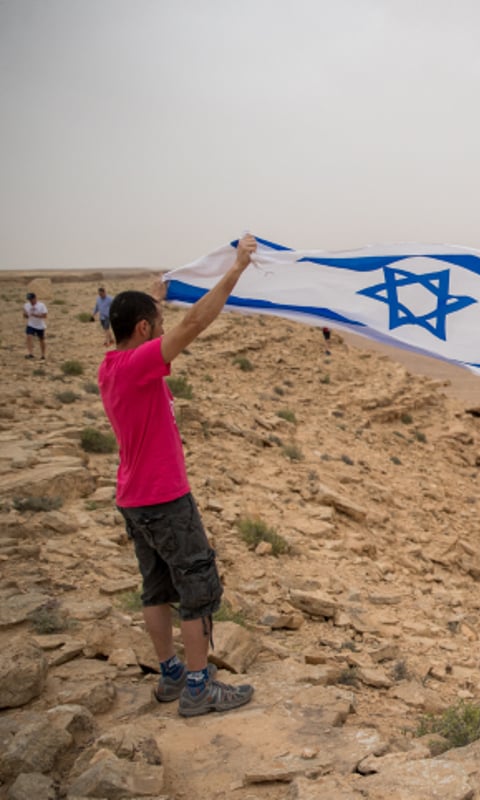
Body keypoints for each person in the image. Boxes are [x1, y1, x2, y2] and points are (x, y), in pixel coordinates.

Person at [98, 234, 258, 717]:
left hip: (135, 498)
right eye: (157, 325)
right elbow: (195, 323)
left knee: (157, 587)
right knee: (198, 588)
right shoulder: (140, 365)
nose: (165, 331)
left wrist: (157, 296)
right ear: (144, 329)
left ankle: (170, 675)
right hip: (164, 499)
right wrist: (236, 270)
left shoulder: (111, 365)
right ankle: (198, 687)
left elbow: (158, 322)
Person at [23, 292, 48, 360]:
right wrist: (26, 315)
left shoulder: (41, 305)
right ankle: (30, 353)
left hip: (40, 325)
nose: (30, 301)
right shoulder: (26, 305)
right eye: (29, 299)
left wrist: (34, 314)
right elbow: (25, 315)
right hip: (31, 324)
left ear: (35, 298)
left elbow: (45, 316)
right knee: (29, 336)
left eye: (31, 299)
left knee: (41, 339)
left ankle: (43, 355)